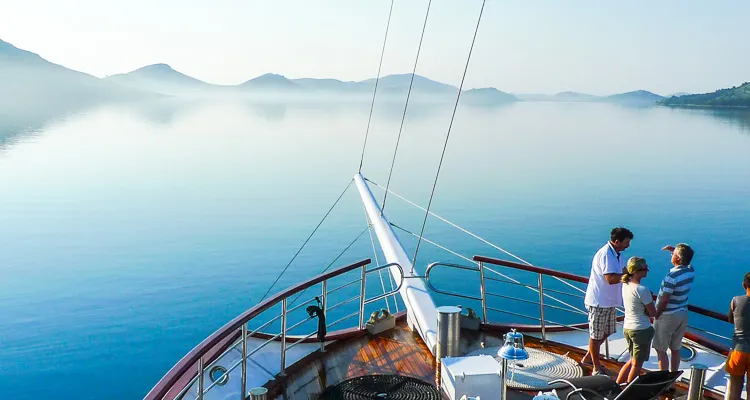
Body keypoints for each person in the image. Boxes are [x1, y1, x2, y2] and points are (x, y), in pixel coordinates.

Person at [582, 227, 633, 375]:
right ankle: (595, 367)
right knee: (596, 335)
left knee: (608, 331)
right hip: (599, 302)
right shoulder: (606, 254)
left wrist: (632, 274)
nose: (628, 245)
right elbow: (610, 279)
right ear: (617, 241)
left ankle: (588, 357)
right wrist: (629, 277)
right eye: (626, 242)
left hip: (609, 301)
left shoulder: (617, 254)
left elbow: (623, 270)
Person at [653, 243, 695, 372]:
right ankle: (673, 378)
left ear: (677, 259)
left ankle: (663, 379)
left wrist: (656, 314)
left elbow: (664, 299)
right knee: (676, 348)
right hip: (682, 313)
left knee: (661, 349)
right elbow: (687, 260)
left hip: (668, 315)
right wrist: (675, 250)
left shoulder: (671, 277)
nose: (671, 255)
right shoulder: (690, 271)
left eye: (673, 254)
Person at [616, 257, 657, 384]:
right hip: (641, 330)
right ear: (636, 271)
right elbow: (653, 313)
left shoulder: (625, 284)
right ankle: (628, 393)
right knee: (636, 365)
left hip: (628, 328)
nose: (647, 270)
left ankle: (617, 386)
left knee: (632, 361)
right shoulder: (642, 290)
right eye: (645, 268)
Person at [724, 272, 750, 400]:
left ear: (744, 285)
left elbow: (730, 319)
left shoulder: (736, 300)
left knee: (734, 390)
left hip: (738, 350)